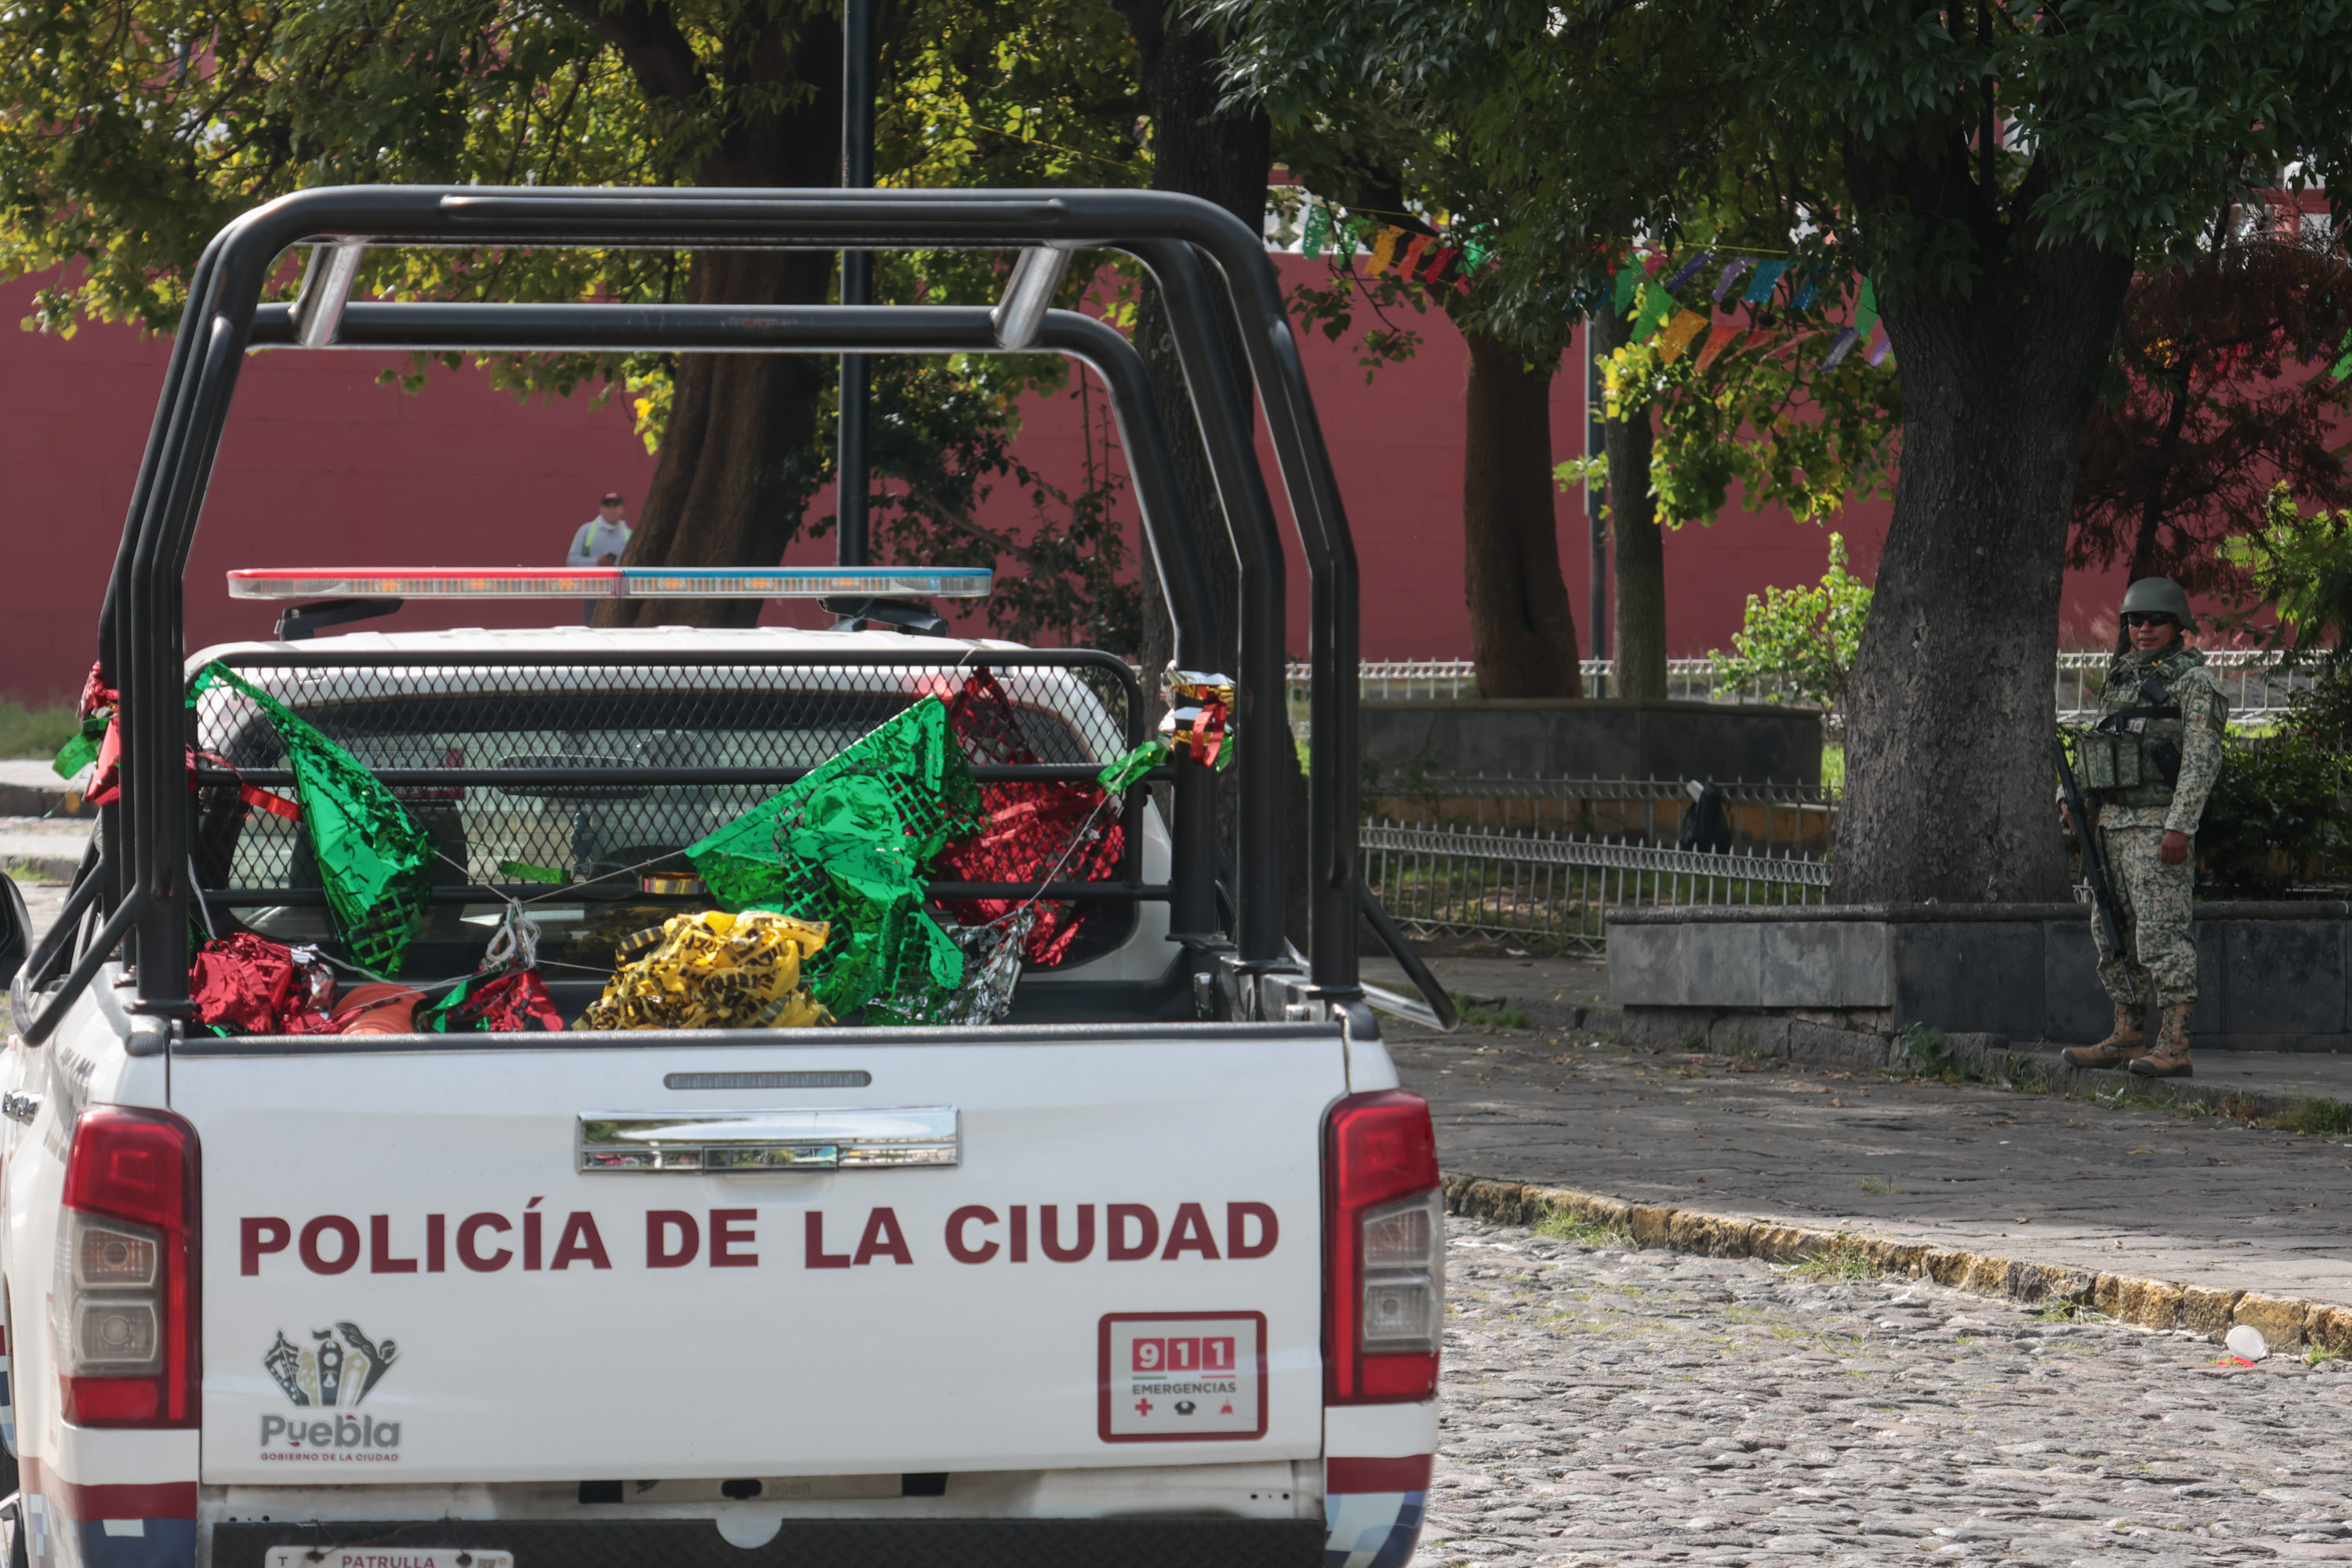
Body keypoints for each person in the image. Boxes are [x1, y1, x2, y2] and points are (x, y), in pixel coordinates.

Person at [2059, 577, 2227, 1078]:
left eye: (2156, 619)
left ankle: (2175, 1046)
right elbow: (2101, 744)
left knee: (2162, 935)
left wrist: (2180, 826)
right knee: (2112, 933)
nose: (2144, 628)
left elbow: (2202, 758)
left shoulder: (2194, 681)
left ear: (2178, 624)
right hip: (2110, 827)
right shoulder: (2121, 677)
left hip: (2158, 827)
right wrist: (2073, 800)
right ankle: (2126, 1035)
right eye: (2135, 619)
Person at [566, 491, 632, 625]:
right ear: (601, 509)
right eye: (608, 506)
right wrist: (597, 562)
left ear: (622, 509)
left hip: (620, 593)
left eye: (615, 506)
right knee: (592, 628)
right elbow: (572, 560)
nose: (611, 510)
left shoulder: (628, 534)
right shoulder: (587, 531)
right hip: (593, 590)